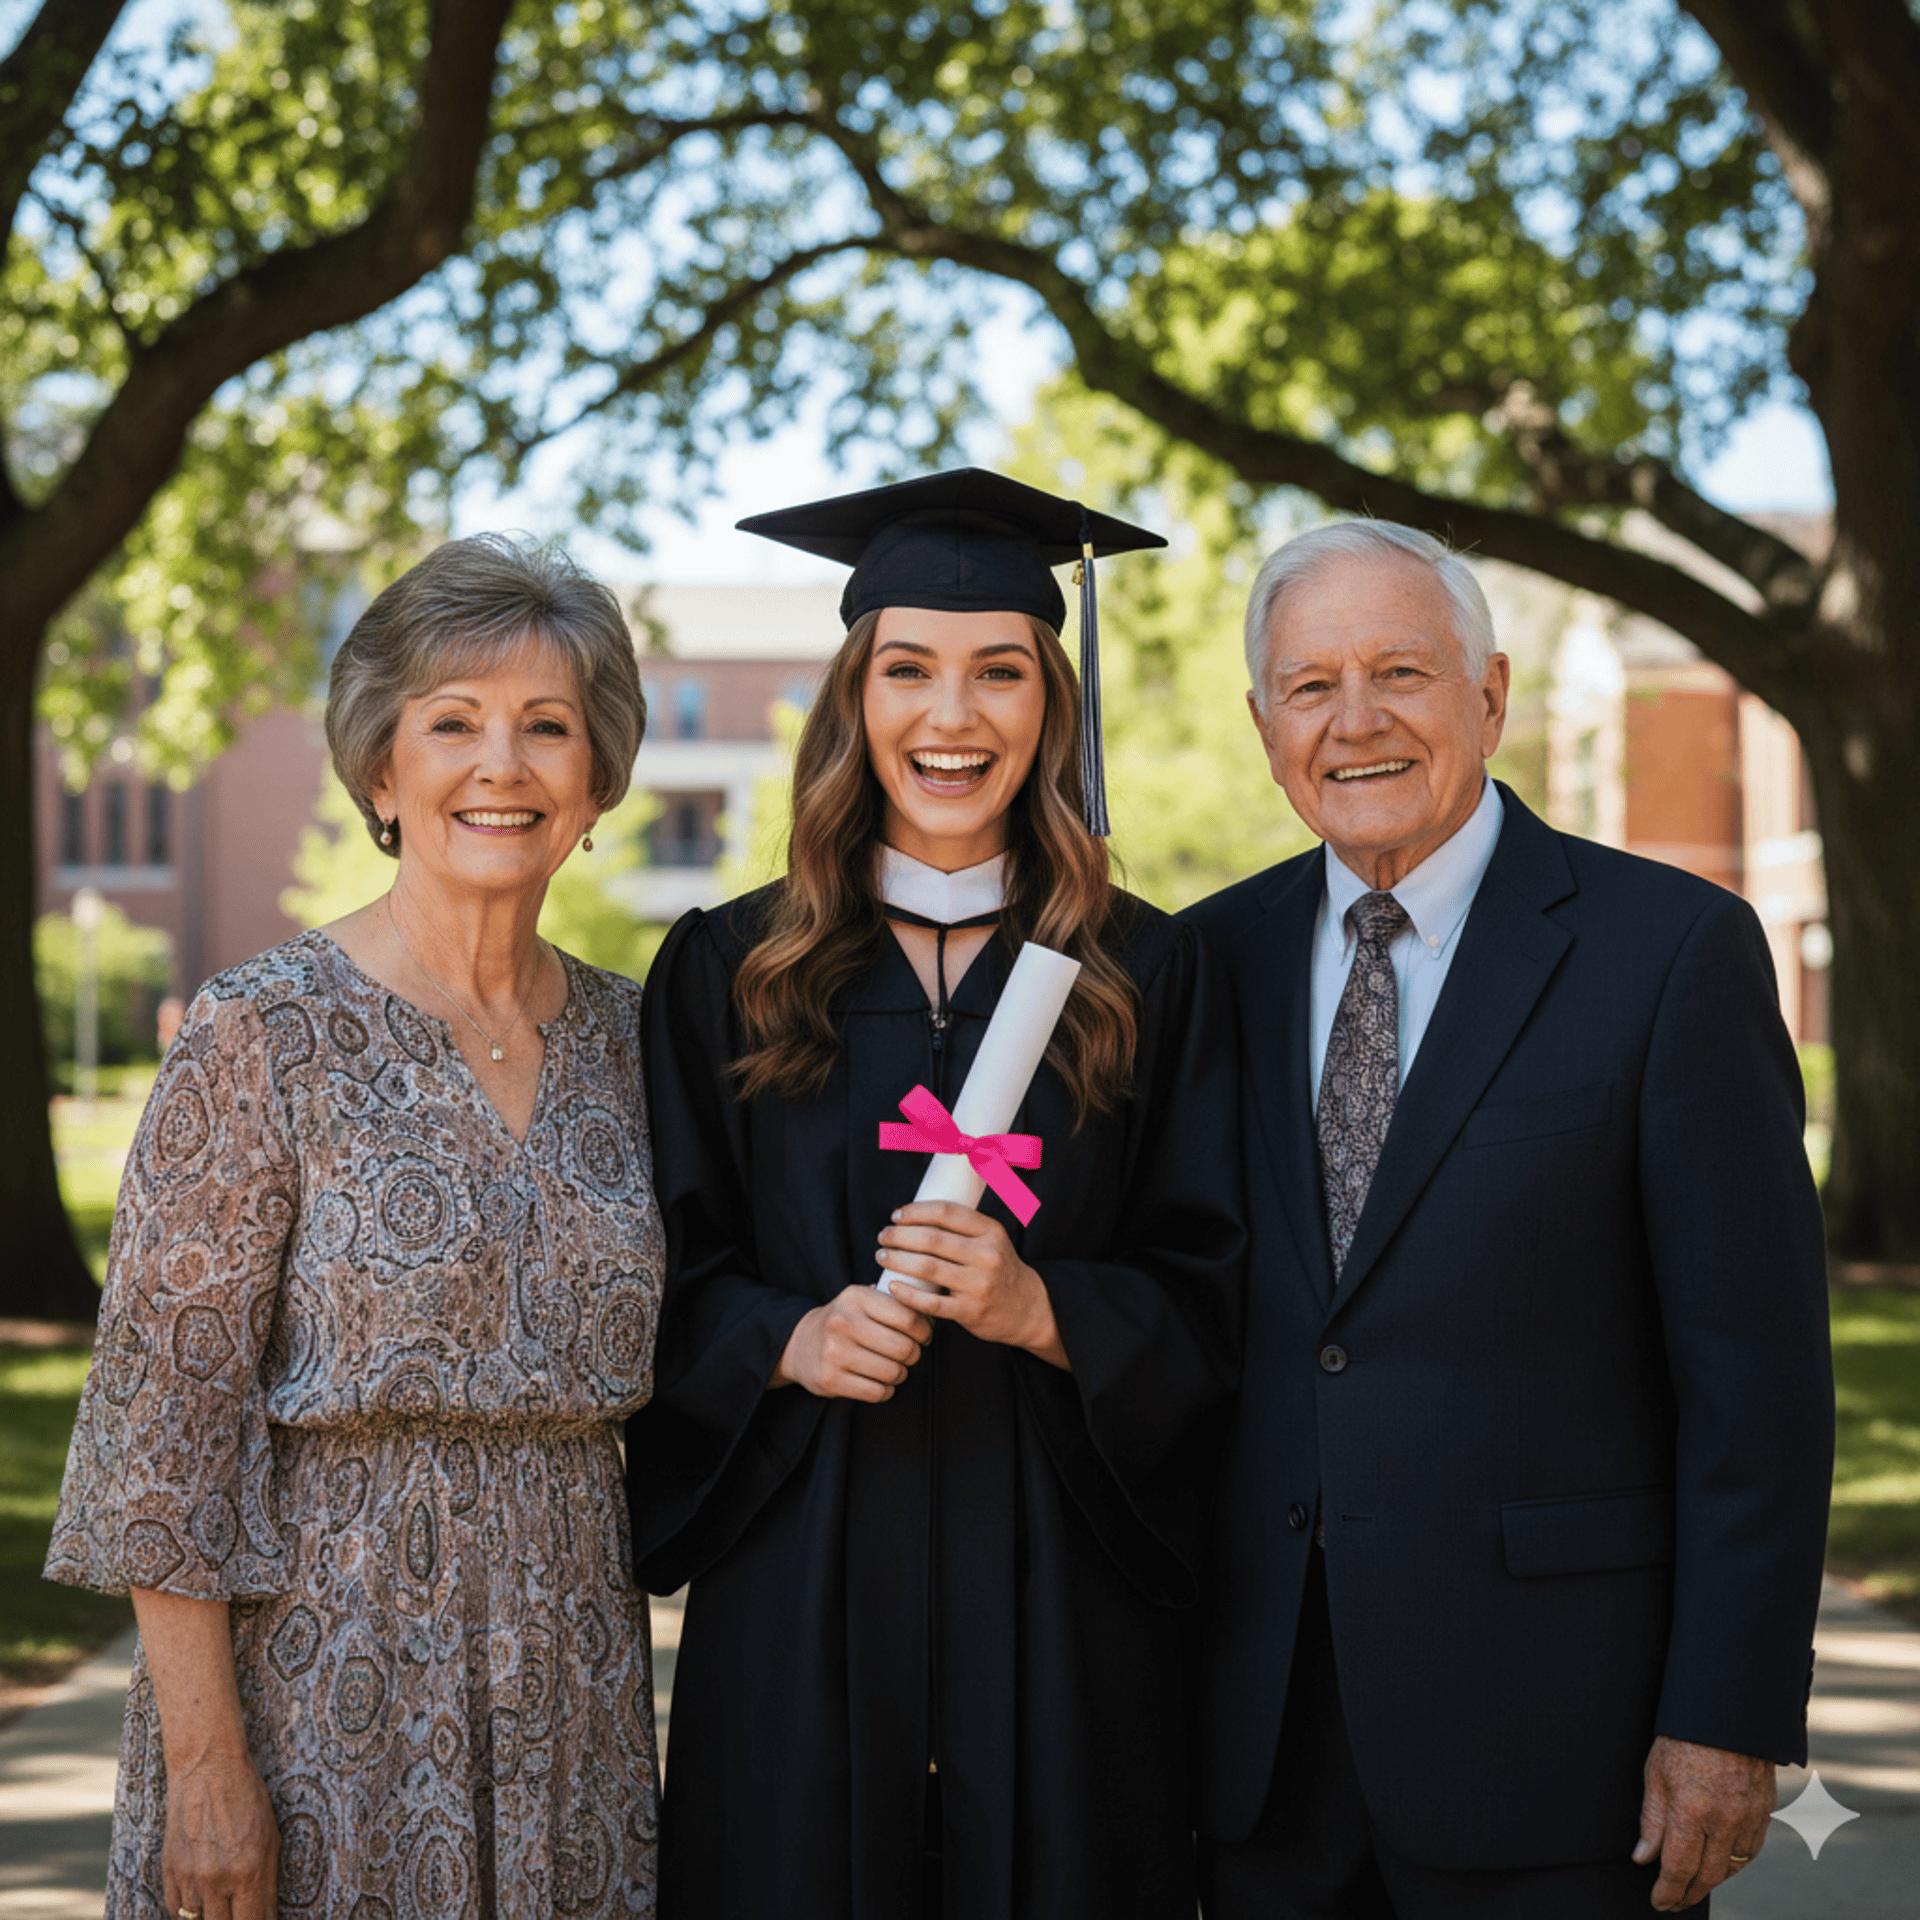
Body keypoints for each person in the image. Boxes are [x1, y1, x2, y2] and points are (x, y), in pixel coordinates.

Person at [1182, 519, 1834, 1918]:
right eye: (1309, 687)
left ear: (1491, 691)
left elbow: (1758, 1379)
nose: (1355, 721)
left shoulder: (1668, 953)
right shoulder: (1199, 964)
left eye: (1401, 671)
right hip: (1264, 1751)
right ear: (1262, 722)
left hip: (1564, 1742)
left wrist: (1728, 1712)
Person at [623, 468, 1246, 1920]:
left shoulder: (1151, 974)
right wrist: (785, 1340)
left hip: (1065, 1603)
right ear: (854, 699)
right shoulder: (729, 971)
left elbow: (1223, 1295)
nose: (952, 717)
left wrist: (1047, 1310)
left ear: (1053, 706)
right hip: (804, 1583)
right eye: (907, 669)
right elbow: (653, 1281)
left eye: (1001, 673)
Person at [47, 533, 663, 1919]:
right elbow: (160, 1441)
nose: (500, 764)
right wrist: (210, 1772)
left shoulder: (643, 1040)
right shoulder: (260, 1030)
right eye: (453, 723)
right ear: (382, 771)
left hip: (578, 1698)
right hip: (322, 1695)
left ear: (597, 780)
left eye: (547, 727)